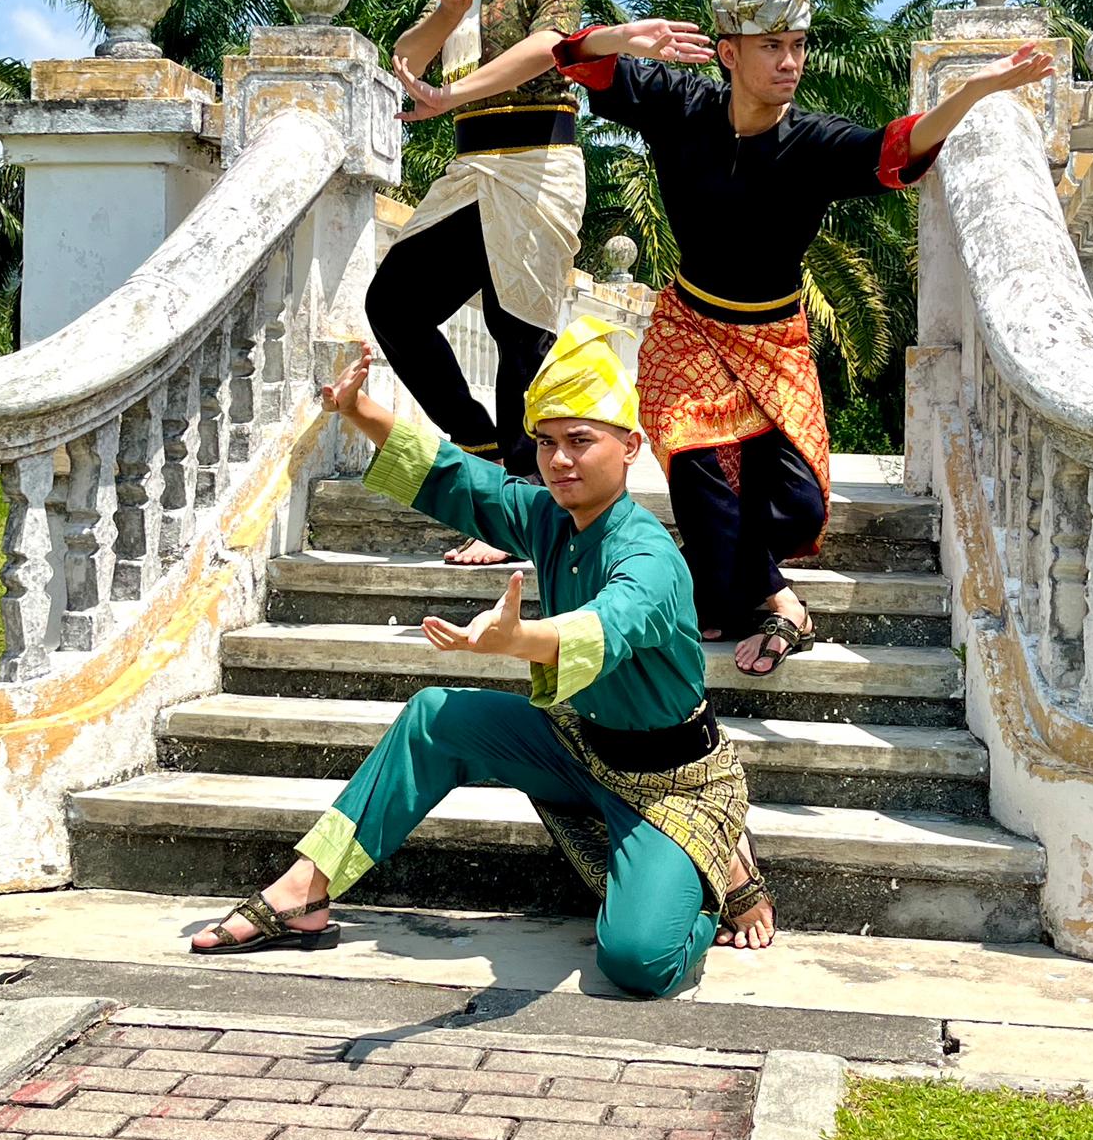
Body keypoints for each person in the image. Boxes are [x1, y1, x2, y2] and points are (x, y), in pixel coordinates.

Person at [403, 0, 1051, 672]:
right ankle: (776, 601)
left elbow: (893, 151)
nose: (789, 61)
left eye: (798, 45)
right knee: (699, 462)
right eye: (772, 45)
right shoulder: (681, 107)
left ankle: (715, 576)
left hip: (775, 340)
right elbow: (582, 61)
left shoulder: (812, 143)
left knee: (800, 510)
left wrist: (971, 93)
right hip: (687, 327)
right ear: (727, 52)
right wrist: (623, 36)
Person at [190, 315, 775, 972]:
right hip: (581, 746)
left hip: (673, 783)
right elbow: (458, 481)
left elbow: (607, 625)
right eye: (547, 442)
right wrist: (356, 409)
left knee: (639, 961)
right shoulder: (551, 518)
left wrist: (518, 638)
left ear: (631, 446)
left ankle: (718, 870)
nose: (559, 460)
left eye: (580, 441)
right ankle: (306, 888)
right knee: (436, 717)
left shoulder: (648, 554)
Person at [364, 0, 583, 566]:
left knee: (517, 328)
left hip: (539, 165)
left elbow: (544, 52)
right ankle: (479, 443)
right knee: (392, 302)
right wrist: (446, 16)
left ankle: (518, 507)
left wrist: (450, 97)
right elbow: (406, 60)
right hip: (470, 173)